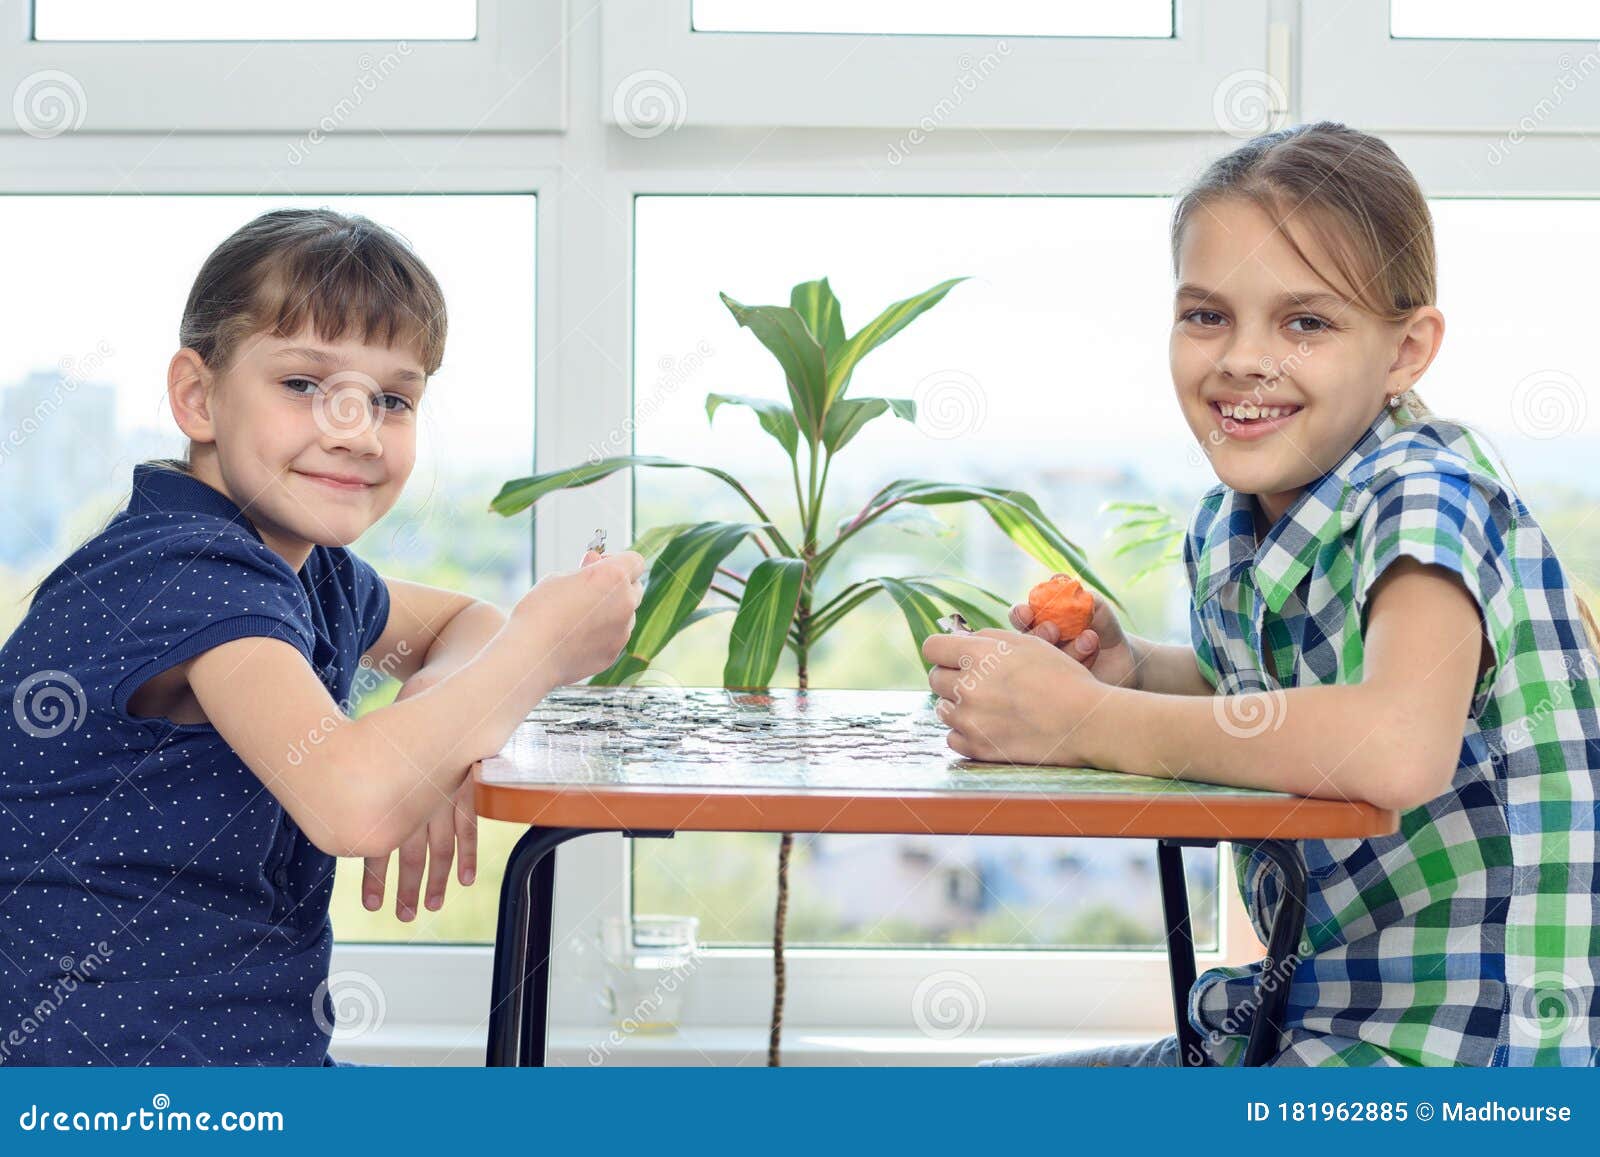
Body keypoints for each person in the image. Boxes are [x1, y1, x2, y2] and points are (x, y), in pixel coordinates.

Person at [926, 122, 1600, 1067]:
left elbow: (1397, 743)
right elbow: (1270, 708)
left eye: (1306, 323)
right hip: (1304, 1029)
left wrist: (1086, 721)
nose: (1244, 359)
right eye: (1207, 315)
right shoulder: (1234, 517)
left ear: (1407, 350)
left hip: (1464, 1063)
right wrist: (1135, 672)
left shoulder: (1424, 493)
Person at [0, 208, 645, 1065]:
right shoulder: (186, 570)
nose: (354, 426)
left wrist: (435, 709)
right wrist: (544, 647)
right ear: (197, 396)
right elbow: (357, 801)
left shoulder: (307, 567)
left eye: (391, 398)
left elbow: (461, 623)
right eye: (304, 383)